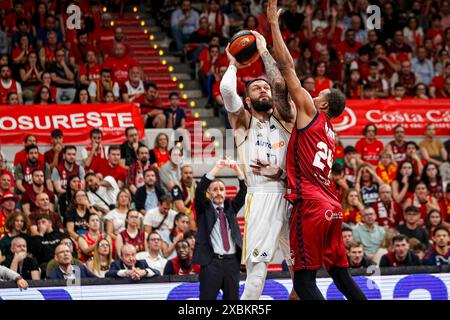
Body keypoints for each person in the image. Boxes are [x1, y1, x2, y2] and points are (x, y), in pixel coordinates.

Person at [268, 0, 366, 300]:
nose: (313, 94)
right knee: (340, 275)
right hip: (333, 207)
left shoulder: (311, 111)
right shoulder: (330, 132)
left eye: (318, 93)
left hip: (310, 205)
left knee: (305, 282)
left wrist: (273, 23)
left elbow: (286, 67)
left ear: (322, 104)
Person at [220, 27, 297, 300]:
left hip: (291, 197)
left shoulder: (286, 118)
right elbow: (227, 90)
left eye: (265, 87)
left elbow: (280, 84)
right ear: (248, 100)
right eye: (256, 88)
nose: (263, 90)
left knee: (303, 273)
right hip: (261, 197)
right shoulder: (243, 122)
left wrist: (264, 50)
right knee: (258, 271)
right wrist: (232, 63)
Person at [192, 159, 246, 300]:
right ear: (209, 193)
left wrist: (236, 169)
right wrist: (217, 168)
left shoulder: (231, 208)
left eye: (221, 189)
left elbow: (244, 190)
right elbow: (199, 190)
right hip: (211, 263)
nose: (218, 192)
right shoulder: (203, 208)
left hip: (232, 264)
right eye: (214, 189)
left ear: (225, 192)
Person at [171, 164, 197, 230]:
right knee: (191, 216)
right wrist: (190, 212)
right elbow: (180, 207)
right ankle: (193, 235)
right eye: (186, 173)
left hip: (195, 211)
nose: (188, 175)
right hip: (181, 213)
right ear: (181, 174)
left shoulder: (197, 184)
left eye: (190, 173)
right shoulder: (176, 187)